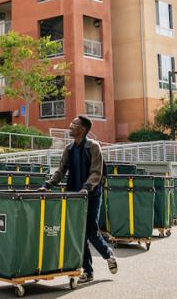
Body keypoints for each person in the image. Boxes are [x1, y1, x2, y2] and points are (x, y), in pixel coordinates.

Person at [41, 115, 117, 283]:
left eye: (73, 124)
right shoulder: (69, 148)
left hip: (91, 195)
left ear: (82, 129)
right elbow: (60, 170)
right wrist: (48, 185)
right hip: (74, 196)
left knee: (90, 230)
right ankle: (88, 272)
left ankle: (108, 255)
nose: (70, 126)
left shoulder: (93, 147)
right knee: (78, 233)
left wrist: (87, 187)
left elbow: (96, 172)